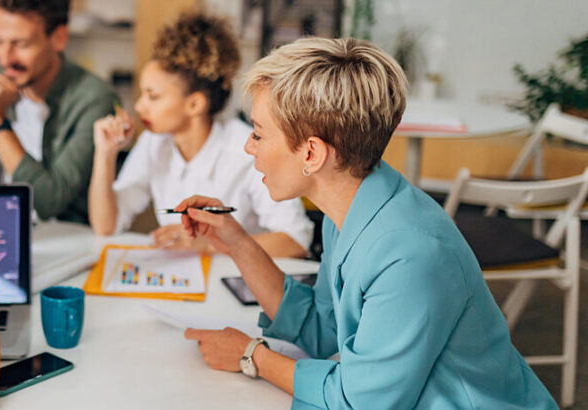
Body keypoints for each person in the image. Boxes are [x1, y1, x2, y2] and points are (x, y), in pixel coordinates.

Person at [179, 38, 556, 409]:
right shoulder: (348, 209)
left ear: (311, 153)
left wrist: (252, 356)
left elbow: (360, 402)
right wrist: (237, 243)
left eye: (259, 133)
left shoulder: (410, 253)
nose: (249, 146)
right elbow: (322, 330)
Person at [88, 13, 311, 258]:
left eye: (153, 96)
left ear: (194, 104)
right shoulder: (153, 143)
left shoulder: (247, 150)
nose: (139, 106)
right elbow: (106, 226)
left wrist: (209, 245)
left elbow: (295, 241)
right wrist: (105, 153)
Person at [0, 0, 118, 224]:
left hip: (63, 233)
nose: (5, 58)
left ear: (59, 38)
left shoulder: (94, 99)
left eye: (21, 44)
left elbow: (48, 201)